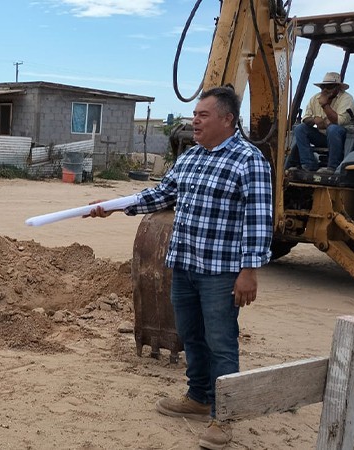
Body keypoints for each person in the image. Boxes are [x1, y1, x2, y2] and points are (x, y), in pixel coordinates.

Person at [86, 86, 273, 450]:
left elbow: (258, 220)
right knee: (190, 334)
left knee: (221, 341)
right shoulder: (190, 158)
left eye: (203, 115)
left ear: (227, 120)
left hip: (220, 272)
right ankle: (198, 397)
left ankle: (224, 416)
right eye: (194, 115)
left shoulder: (249, 160)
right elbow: (159, 195)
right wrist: (113, 205)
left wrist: (249, 271)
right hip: (184, 265)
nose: (194, 121)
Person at [287, 72, 354, 174]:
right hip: (323, 136)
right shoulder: (315, 98)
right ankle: (308, 165)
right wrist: (315, 120)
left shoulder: (346, 98)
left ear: (337, 88)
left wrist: (324, 105)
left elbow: (338, 121)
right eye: (323, 87)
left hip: (344, 138)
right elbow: (305, 118)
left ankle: (333, 167)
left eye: (329, 87)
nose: (325, 90)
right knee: (300, 129)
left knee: (333, 129)